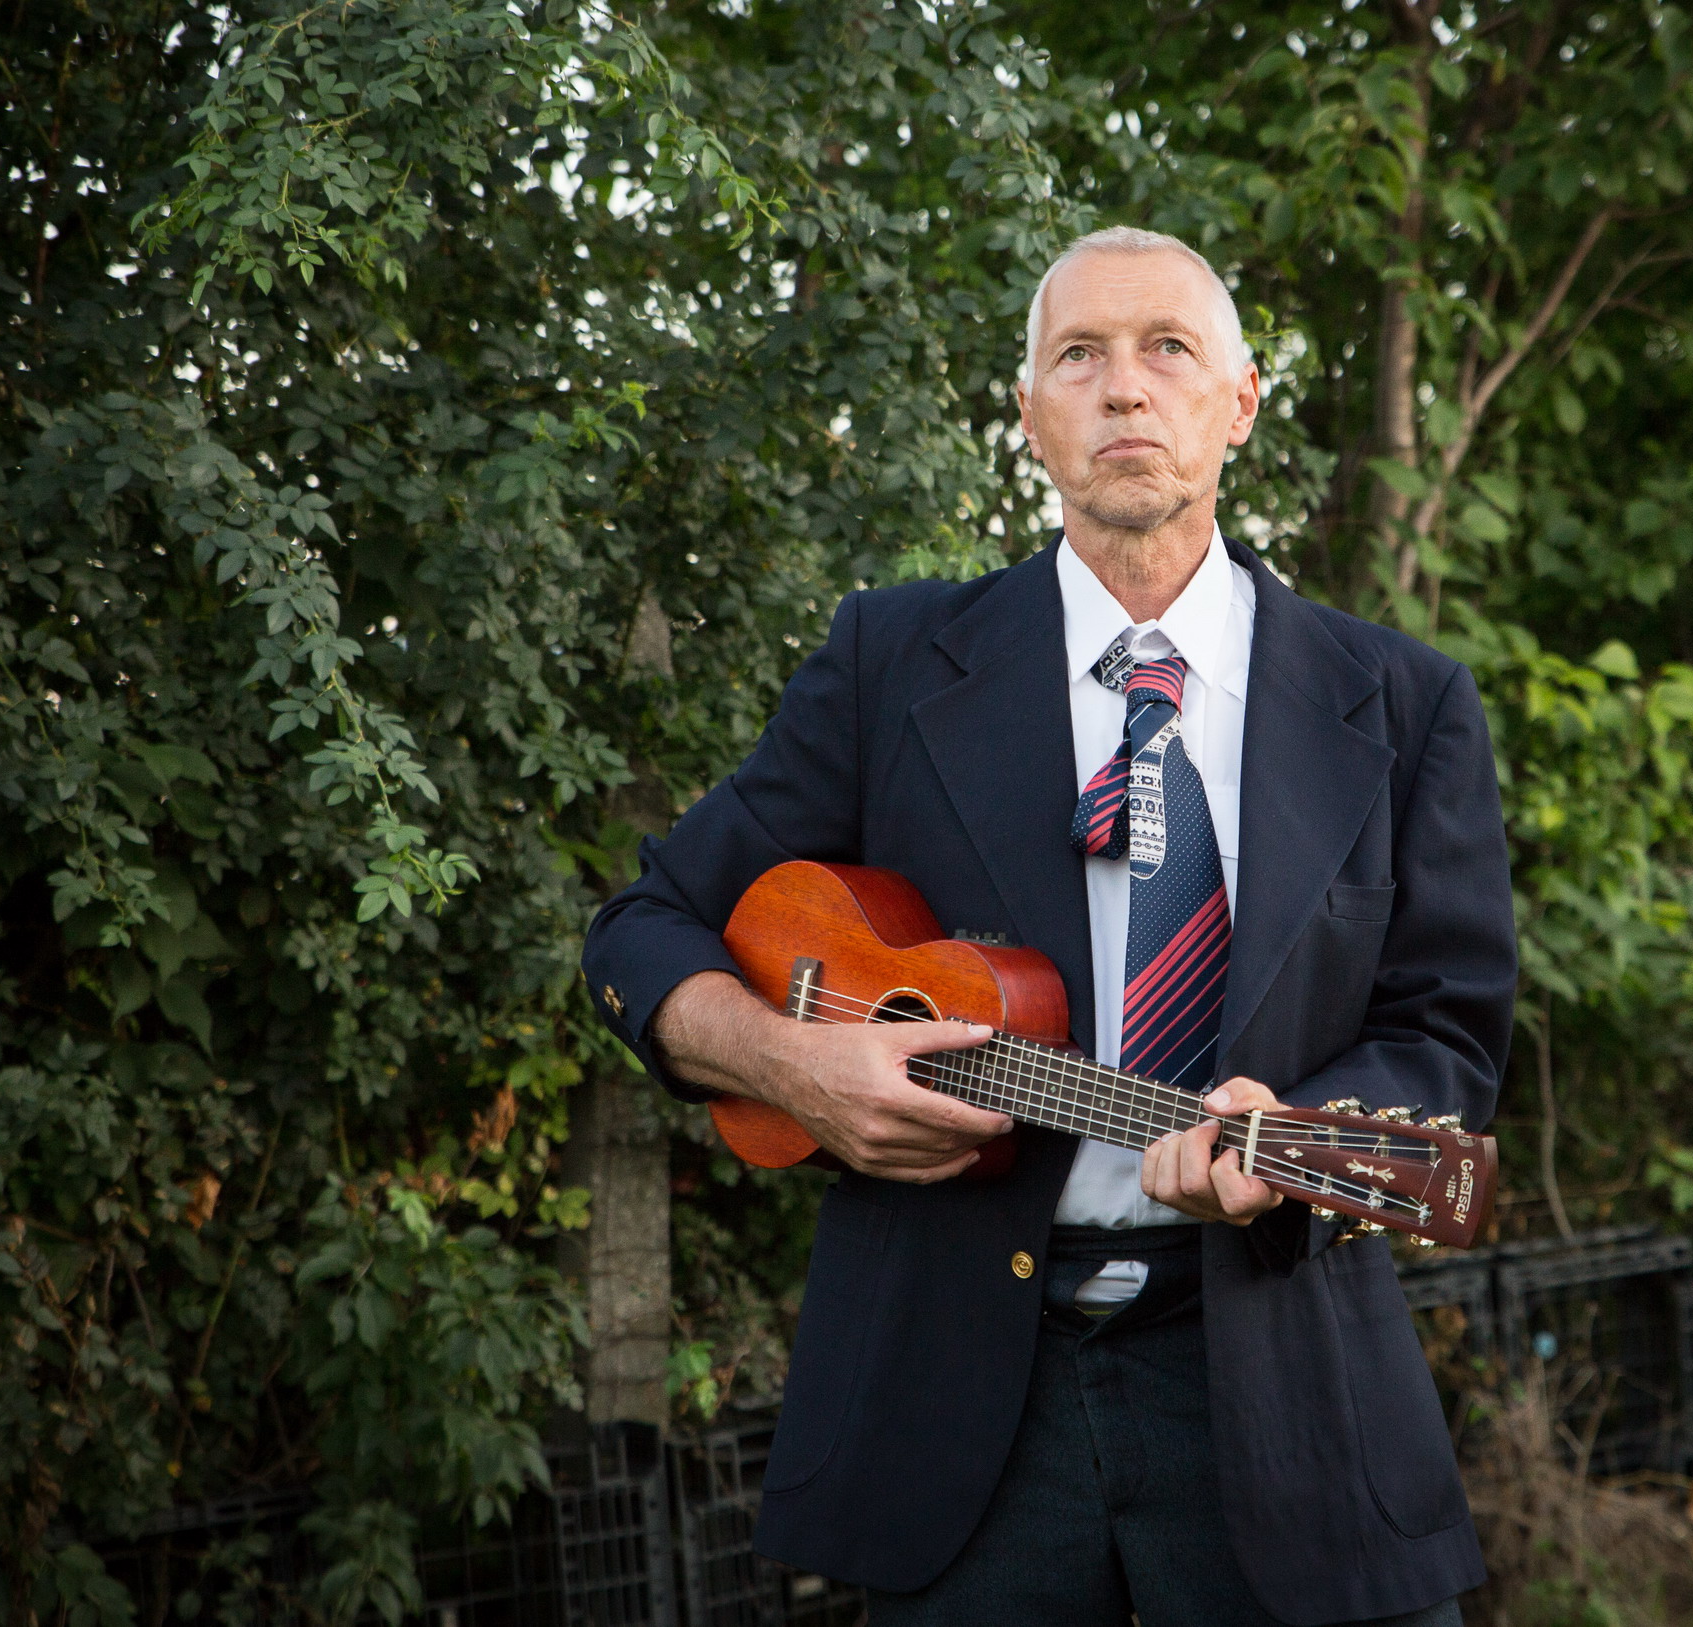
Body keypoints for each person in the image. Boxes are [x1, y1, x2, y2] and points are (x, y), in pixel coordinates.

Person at [582, 226, 1515, 1626]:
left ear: (1241, 402)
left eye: (1168, 349)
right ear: (1030, 416)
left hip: (1283, 1392)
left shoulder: (1403, 703)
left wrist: (1299, 1130)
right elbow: (641, 929)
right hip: (958, 1407)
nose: (1124, 386)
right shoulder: (890, 664)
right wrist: (789, 1064)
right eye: (1079, 355)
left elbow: (1447, 1036)